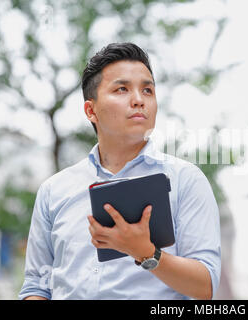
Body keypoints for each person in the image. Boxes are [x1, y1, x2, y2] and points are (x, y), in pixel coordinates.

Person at [19, 42, 221, 300]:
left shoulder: (185, 180)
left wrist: (145, 252)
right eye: (122, 89)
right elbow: (36, 285)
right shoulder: (53, 190)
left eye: (147, 90)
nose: (139, 100)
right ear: (91, 110)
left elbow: (205, 287)